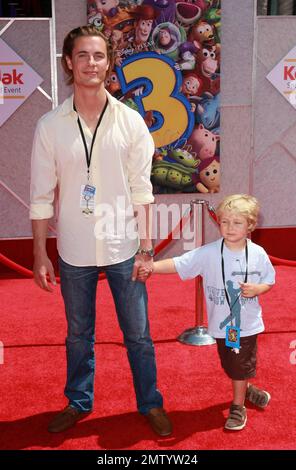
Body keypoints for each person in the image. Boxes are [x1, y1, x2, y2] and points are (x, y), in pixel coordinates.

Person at [30, 25, 172, 437]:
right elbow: (41, 195)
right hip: (72, 248)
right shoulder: (50, 125)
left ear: (108, 63)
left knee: (140, 337)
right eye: (82, 56)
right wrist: (40, 253)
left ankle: (150, 403)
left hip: (124, 245)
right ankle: (78, 401)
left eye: (98, 56)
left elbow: (142, 190)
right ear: (68, 63)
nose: (90, 63)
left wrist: (146, 248)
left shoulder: (130, 123)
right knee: (78, 336)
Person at [139, 194, 275, 431]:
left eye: (237, 222)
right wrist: (151, 267)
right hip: (222, 327)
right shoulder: (209, 252)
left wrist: (257, 289)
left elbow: (269, 281)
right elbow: (180, 263)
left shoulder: (259, 254)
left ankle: (237, 407)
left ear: (250, 225)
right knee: (230, 363)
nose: (230, 227)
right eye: (225, 222)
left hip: (248, 324)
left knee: (239, 364)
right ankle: (246, 388)